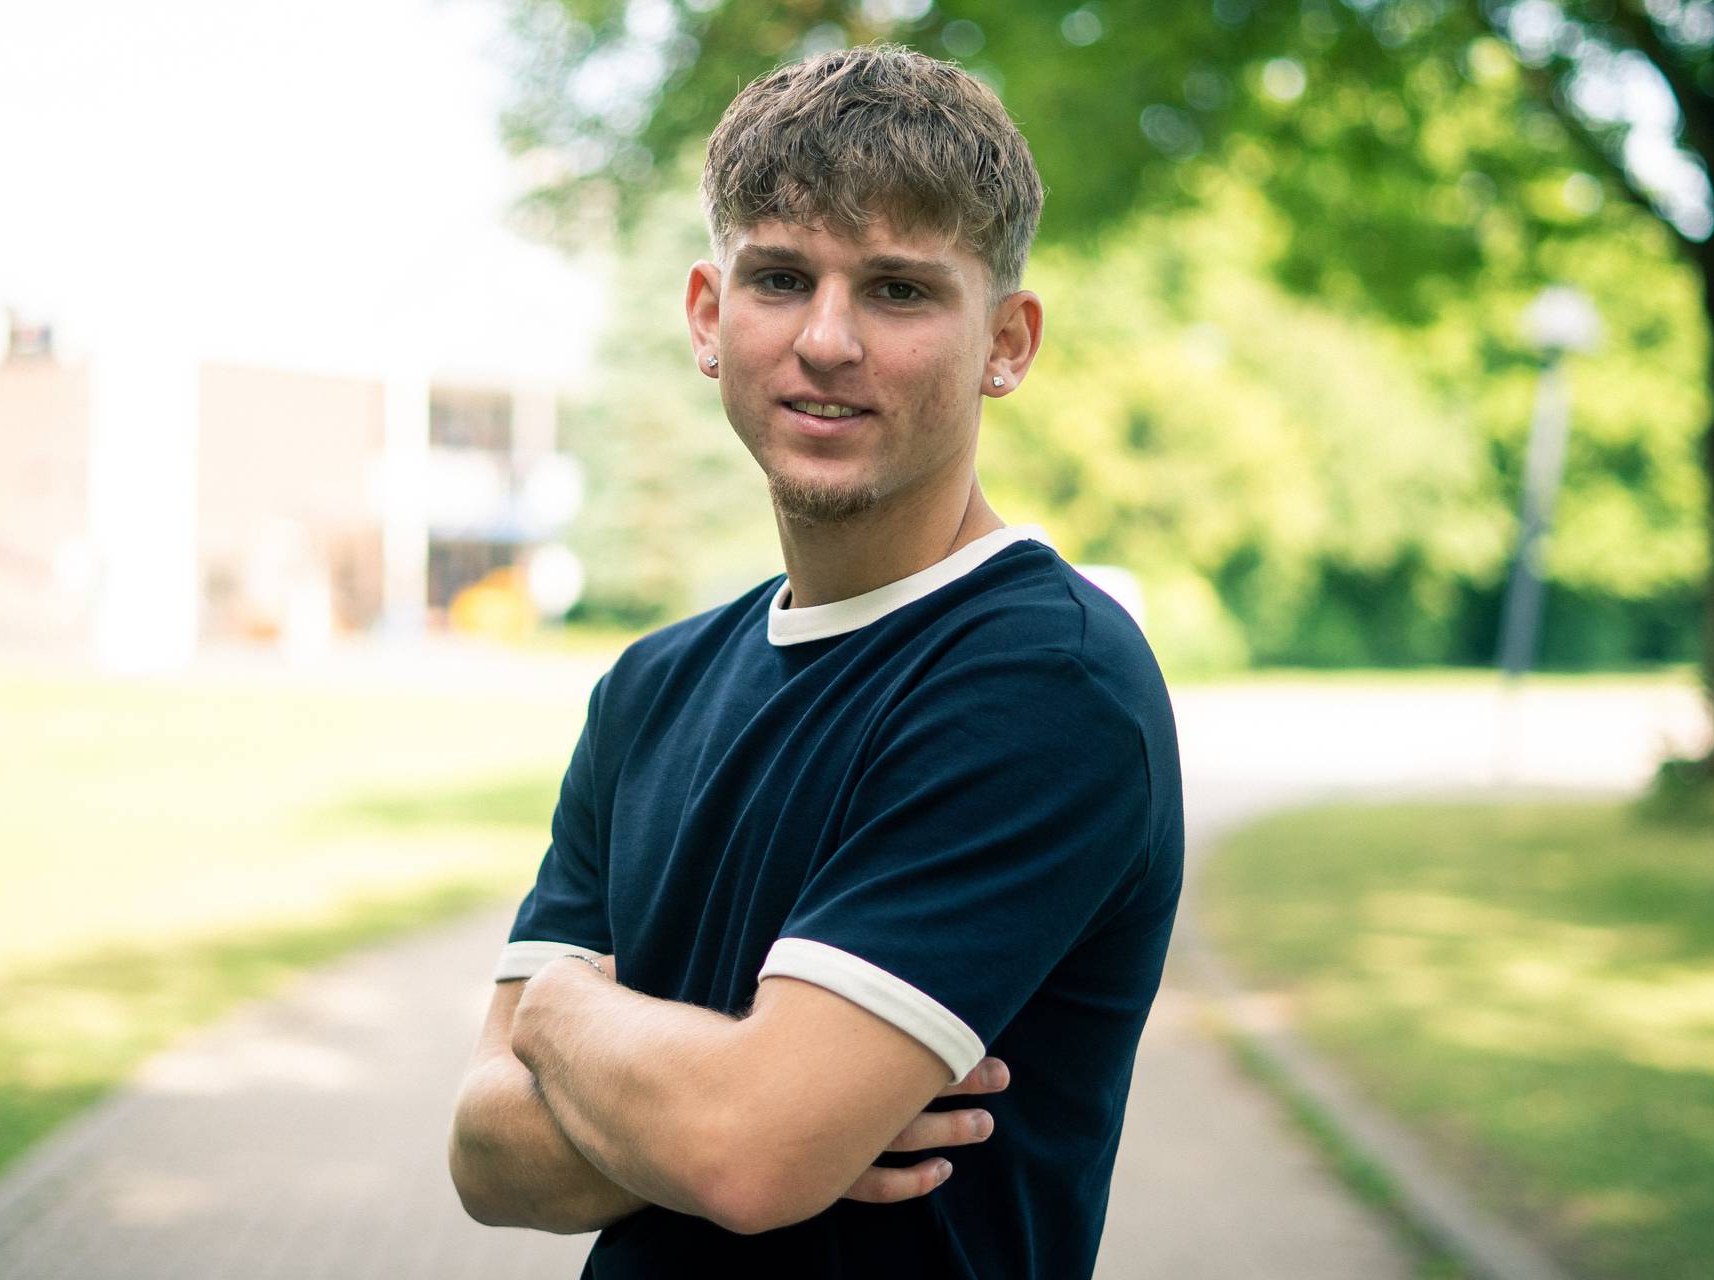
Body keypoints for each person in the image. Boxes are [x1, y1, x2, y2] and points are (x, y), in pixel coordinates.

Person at [446, 42, 1184, 1279]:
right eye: (781, 277)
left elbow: (747, 1152)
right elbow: (483, 1154)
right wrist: (726, 1096)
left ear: (1007, 340)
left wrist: (572, 1018)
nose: (828, 339)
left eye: (898, 290)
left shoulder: (1045, 681)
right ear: (707, 315)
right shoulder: (651, 685)